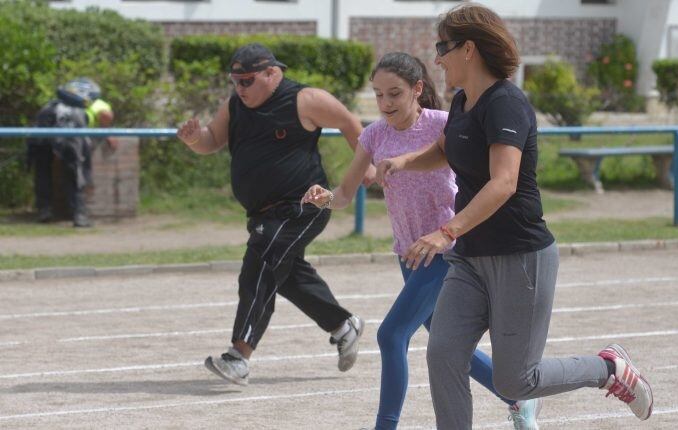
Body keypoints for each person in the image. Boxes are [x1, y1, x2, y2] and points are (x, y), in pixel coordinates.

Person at [375, 5, 653, 430]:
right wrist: (406, 161)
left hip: (519, 256)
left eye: (441, 48)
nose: (437, 59)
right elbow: (450, 149)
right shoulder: (463, 100)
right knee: (444, 354)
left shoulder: (507, 103)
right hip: (469, 258)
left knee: (518, 380)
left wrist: (445, 230)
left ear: (468, 49)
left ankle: (608, 369)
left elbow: (503, 183)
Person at [303, 52, 542, 430]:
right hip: (408, 253)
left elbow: (494, 174)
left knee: (391, 334)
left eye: (394, 94)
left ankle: (386, 425)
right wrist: (326, 198)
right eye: (378, 95)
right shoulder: (373, 134)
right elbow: (346, 192)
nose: (385, 104)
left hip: (446, 249)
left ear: (417, 89)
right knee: (448, 346)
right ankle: (517, 397)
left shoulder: (445, 124)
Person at [176, 43, 375, 385]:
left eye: (247, 81)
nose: (240, 88)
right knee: (285, 272)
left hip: (304, 204)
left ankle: (240, 355)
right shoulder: (235, 105)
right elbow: (212, 140)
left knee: (260, 263)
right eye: (235, 81)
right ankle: (344, 326)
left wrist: (365, 167)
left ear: (272, 72)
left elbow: (348, 121)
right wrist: (195, 139)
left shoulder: (304, 99)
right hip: (263, 213)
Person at [26, 78, 116, 227]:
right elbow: (106, 115)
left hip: (46, 129)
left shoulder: (53, 104)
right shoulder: (96, 102)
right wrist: (107, 131)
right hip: (71, 133)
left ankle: (44, 210)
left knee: (42, 169)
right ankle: (79, 215)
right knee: (76, 171)